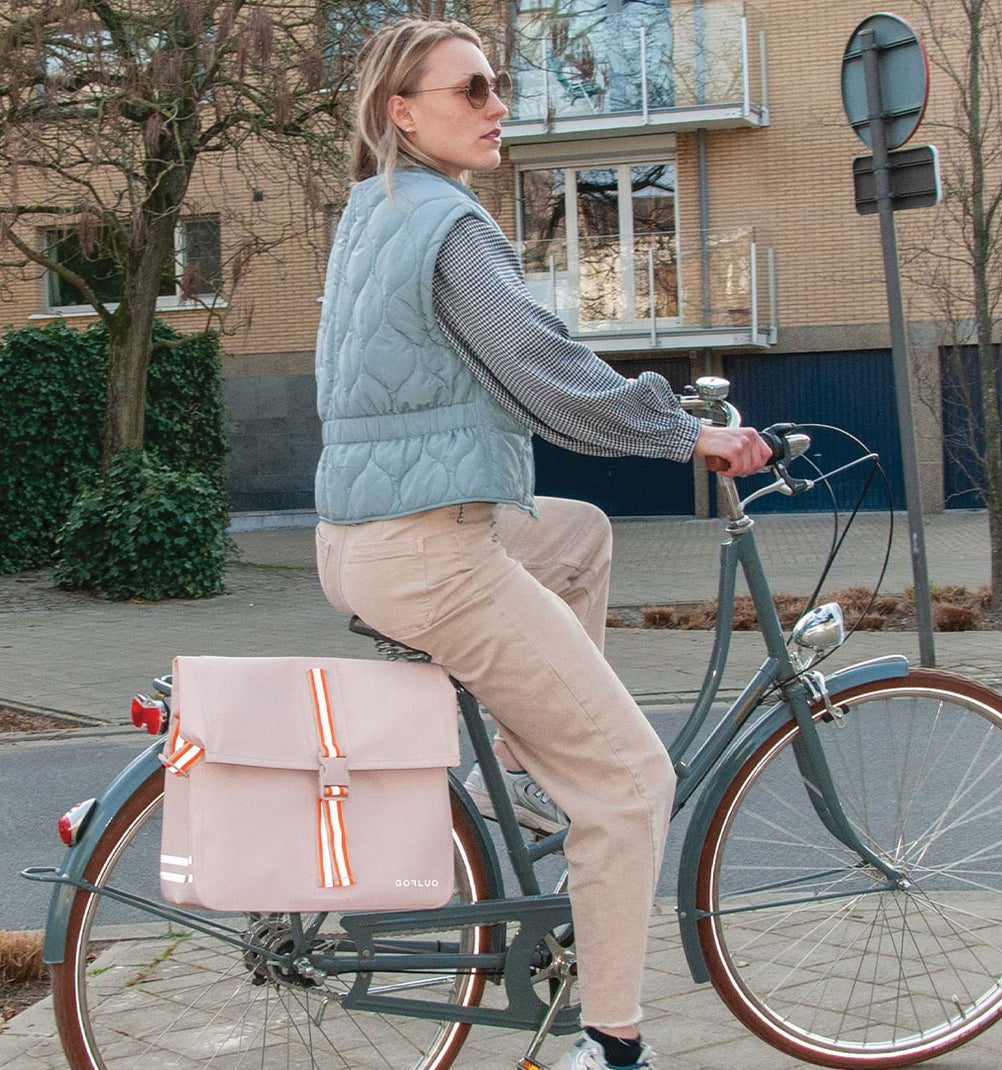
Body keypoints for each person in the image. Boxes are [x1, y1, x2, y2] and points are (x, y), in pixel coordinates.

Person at [313, 18, 771, 1070]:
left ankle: (522, 767)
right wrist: (684, 430)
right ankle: (610, 1043)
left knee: (575, 533)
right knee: (627, 780)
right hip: (433, 553)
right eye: (469, 88)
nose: (494, 104)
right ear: (402, 111)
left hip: (359, 538)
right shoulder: (450, 226)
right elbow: (546, 375)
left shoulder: (370, 212)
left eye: (498, 85)